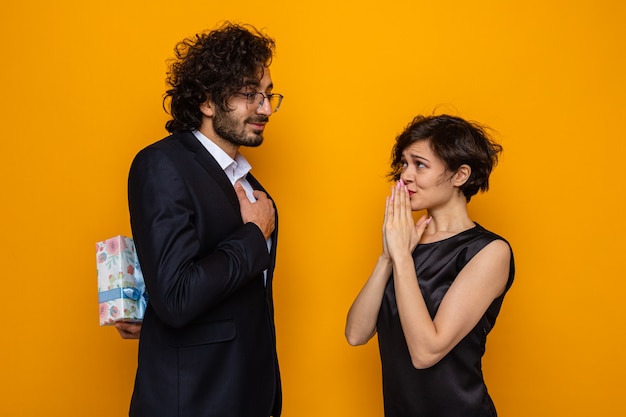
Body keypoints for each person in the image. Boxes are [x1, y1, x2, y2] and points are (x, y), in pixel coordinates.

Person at [126, 22, 283, 417]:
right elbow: (177, 297)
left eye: (268, 95)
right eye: (250, 94)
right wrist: (252, 235)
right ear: (206, 101)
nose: (264, 108)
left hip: (247, 396)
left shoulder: (250, 186)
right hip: (193, 401)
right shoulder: (162, 164)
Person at [345, 114, 515, 416]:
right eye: (404, 164)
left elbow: (426, 352)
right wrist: (387, 256)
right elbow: (356, 334)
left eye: (419, 164)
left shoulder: (489, 252)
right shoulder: (404, 245)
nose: (405, 176)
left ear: (460, 175)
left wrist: (401, 258)